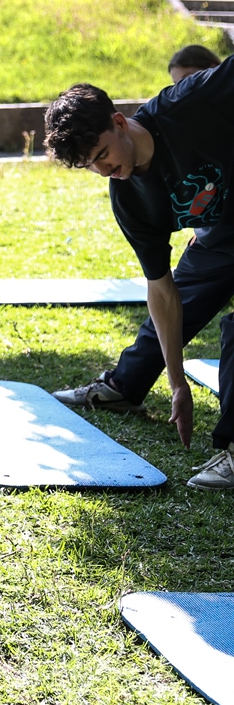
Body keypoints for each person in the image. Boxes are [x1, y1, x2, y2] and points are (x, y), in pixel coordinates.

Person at [44, 47, 234, 491]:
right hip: (223, 232)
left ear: (119, 122)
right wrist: (178, 385)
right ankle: (125, 388)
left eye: (103, 153)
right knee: (178, 299)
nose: (103, 168)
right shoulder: (127, 193)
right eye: (90, 164)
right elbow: (162, 290)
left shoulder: (190, 103)